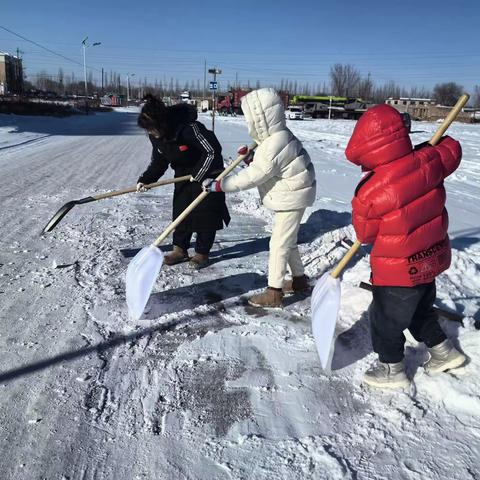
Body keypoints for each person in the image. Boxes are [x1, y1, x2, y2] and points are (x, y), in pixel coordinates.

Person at [345, 104, 467, 390]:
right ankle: (443, 353)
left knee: (385, 321)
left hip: (397, 271)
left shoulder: (369, 192)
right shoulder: (430, 160)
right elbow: (453, 149)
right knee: (420, 311)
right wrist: (427, 148)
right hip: (430, 260)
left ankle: (391, 370)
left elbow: (365, 234)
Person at [203, 88, 316, 308]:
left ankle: (274, 293)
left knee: (279, 243)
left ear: (261, 118)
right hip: (295, 193)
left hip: (292, 196)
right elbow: (269, 168)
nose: (249, 122)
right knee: (287, 241)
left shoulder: (274, 143)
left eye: (251, 118)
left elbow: (253, 177)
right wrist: (251, 159)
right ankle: (300, 280)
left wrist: (219, 185)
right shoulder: (279, 137)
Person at [136, 94, 230, 269]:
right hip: (183, 174)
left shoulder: (189, 128)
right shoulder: (157, 136)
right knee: (181, 212)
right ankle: (180, 250)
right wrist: (146, 179)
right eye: (148, 130)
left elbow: (212, 151)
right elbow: (160, 160)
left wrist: (199, 173)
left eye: (152, 129)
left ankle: (202, 253)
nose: (150, 133)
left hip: (209, 172)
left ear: (161, 123)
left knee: (206, 214)